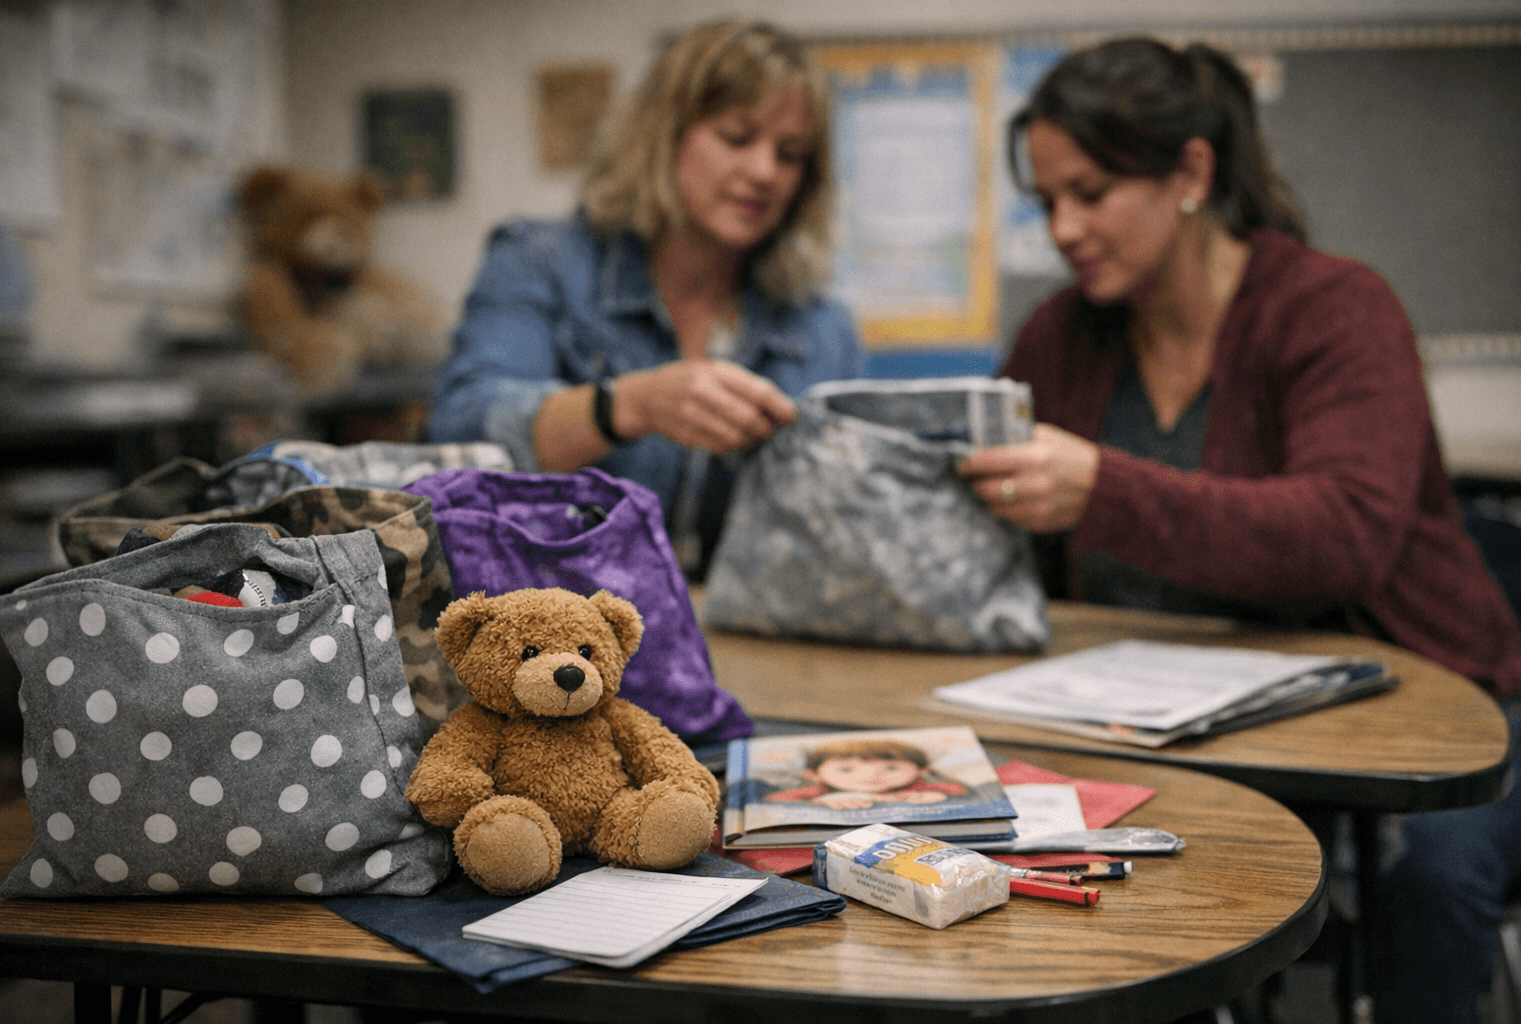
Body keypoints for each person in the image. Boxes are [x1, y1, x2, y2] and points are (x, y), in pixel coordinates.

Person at [956, 37, 1521, 1024]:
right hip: (1168, 726)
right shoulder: (1061, 335)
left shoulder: (1336, 310)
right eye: (1047, 202)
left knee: (1434, 878)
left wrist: (1103, 491)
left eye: (1090, 193)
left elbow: (1343, 534)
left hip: (1424, 714)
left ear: (1191, 172)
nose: (1064, 228)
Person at [427, 18, 864, 578]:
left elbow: (847, 521)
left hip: (735, 625)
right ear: (665, 135)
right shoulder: (539, 261)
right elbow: (462, 429)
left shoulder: (822, 326)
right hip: (554, 620)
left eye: (790, 154)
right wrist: (630, 405)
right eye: (736, 137)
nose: (764, 172)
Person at [763, 737, 970, 810]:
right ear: (813, 774)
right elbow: (775, 801)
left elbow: (959, 791)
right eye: (846, 769)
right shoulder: (818, 790)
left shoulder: (920, 786)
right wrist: (819, 803)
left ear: (922, 771)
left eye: (891, 768)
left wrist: (940, 797)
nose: (871, 776)